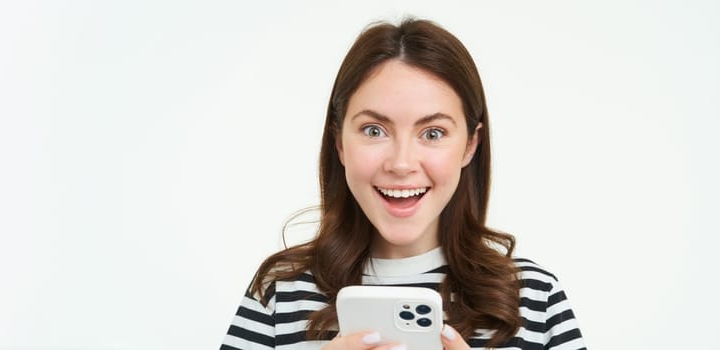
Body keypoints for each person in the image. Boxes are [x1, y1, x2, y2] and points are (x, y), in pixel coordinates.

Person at [221, 17, 586, 350]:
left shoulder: (535, 300)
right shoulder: (281, 292)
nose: (401, 164)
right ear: (339, 141)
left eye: (433, 132)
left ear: (470, 145)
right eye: (374, 130)